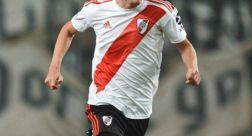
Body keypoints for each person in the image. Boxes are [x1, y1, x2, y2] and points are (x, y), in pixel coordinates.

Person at [44, 0, 201, 135]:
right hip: (104, 101)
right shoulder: (97, 7)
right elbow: (68, 30)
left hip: (140, 109)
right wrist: (54, 68)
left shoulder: (162, 10)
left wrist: (192, 67)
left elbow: (184, 45)